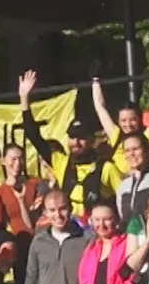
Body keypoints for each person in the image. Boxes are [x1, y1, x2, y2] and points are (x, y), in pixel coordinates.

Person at [19, 70, 121, 211]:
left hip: (97, 229)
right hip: (69, 228)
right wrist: (24, 98)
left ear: (91, 140)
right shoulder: (61, 162)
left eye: (81, 138)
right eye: (72, 137)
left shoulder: (106, 168)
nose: (76, 142)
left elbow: (124, 199)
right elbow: (33, 135)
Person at [76, 200, 133, 284]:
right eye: (96, 220)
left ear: (116, 220)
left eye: (107, 219)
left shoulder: (127, 245)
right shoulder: (91, 249)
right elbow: (83, 282)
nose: (101, 225)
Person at [0, 143, 42, 237]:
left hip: (41, 238)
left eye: (21, 159)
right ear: (3, 161)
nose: (17, 163)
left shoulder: (35, 183)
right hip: (18, 240)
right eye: (13, 159)